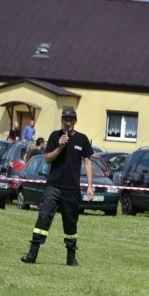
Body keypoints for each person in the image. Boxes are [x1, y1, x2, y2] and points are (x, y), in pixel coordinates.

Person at [20, 108, 94, 266]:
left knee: (70, 223)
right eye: (66, 119)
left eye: (71, 119)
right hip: (53, 186)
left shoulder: (82, 139)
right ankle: (32, 254)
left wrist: (90, 186)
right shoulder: (55, 136)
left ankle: (71, 258)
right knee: (44, 217)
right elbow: (47, 159)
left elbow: (88, 162)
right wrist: (60, 146)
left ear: (75, 121)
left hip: (72, 189)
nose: (69, 122)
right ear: (62, 120)